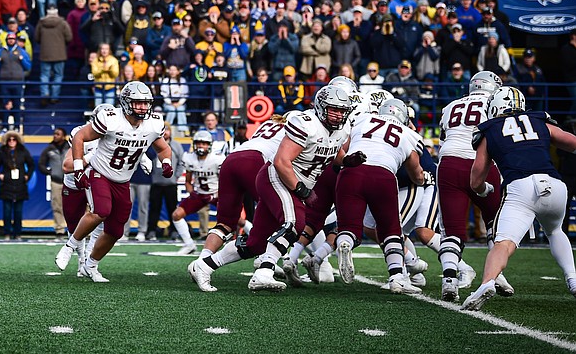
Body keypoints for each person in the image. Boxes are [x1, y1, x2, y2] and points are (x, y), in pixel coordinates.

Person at [188, 82, 355, 292]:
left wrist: (346, 161)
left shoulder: (342, 128)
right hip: (276, 177)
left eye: (342, 111)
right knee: (295, 221)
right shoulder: (306, 124)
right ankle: (264, 271)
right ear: (321, 107)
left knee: (256, 243)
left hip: (286, 179)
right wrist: (301, 189)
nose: (338, 116)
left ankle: (204, 266)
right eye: (334, 110)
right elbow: (281, 162)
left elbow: (334, 149)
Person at [462, 88, 576, 310]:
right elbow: (571, 142)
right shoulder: (539, 119)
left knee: (503, 243)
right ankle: (572, 279)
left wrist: (484, 189)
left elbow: (476, 179)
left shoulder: (489, 129)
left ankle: (487, 283)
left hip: (521, 187)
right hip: (555, 185)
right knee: (555, 231)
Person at [55, 81, 173, 282]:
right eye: (138, 103)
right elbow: (79, 138)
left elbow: (162, 148)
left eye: (146, 103)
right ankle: (69, 247)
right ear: (126, 103)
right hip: (99, 173)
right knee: (101, 210)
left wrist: (167, 162)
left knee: (116, 231)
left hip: (122, 180)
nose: (143, 107)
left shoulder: (153, 124)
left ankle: (91, 265)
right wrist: (78, 168)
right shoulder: (111, 120)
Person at [333, 99, 426, 294]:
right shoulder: (409, 134)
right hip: (382, 175)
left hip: (351, 173)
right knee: (390, 229)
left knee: (349, 227)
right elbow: (416, 173)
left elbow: (343, 149)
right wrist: (423, 178)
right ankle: (397, 277)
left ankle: (345, 243)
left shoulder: (363, 119)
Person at [436, 71, 513, 301]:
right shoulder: (495, 103)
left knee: (453, 230)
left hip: (449, 163)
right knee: (496, 223)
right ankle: (496, 274)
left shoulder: (451, 106)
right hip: (482, 162)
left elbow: (443, 140)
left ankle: (449, 279)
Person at [170, 130, 220, 252]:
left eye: (204, 143)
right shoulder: (189, 158)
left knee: (238, 219)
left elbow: (226, 183)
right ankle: (189, 244)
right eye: (198, 143)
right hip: (200, 194)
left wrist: (217, 195)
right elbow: (188, 181)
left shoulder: (217, 159)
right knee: (176, 215)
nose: (201, 146)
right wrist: (192, 193)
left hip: (217, 193)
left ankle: (255, 242)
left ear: (209, 145)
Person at [0, 130, 34, 240]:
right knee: (7, 212)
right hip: (7, 185)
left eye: (14, 139)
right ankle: (7, 233)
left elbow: (31, 165)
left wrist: (27, 176)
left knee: (18, 212)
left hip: (20, 185)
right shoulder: (2, 152)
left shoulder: (23, 151)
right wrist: (0, 175)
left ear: (17, 141)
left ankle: (18, 233)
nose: (11, 141)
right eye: (9, 139)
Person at [149, 125, 186, 243]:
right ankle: (151, 231)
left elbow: (182, 162)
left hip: (171, 183)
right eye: (163, 130)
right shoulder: (153, 143)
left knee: (172, 209)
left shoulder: (176, 146)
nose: (165, 133)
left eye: (167, 130)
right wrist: (152, 176)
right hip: (156, 183)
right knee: (154, 208)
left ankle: (174, 231)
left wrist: (176, 176)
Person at [36, 6, 72, 106]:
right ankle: (54, 97)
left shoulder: (41, 23)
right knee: (58, 75)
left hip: (45, 54)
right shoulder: (63, 23)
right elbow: (69, 37)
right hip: (59, 54)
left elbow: (36, 38)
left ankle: (45, 94)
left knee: (44, 75)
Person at [37, 127, 69, 236]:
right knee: (57, 206)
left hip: (70, 181)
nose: (55, 136)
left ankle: (78, 229)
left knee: (76, 206)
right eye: (54, 134)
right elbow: (41, 163)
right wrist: (50, 172)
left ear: (64, 136)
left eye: (58, 134)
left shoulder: (70, 147)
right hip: (56, 181)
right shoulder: (49, 149)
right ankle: (59, 229)